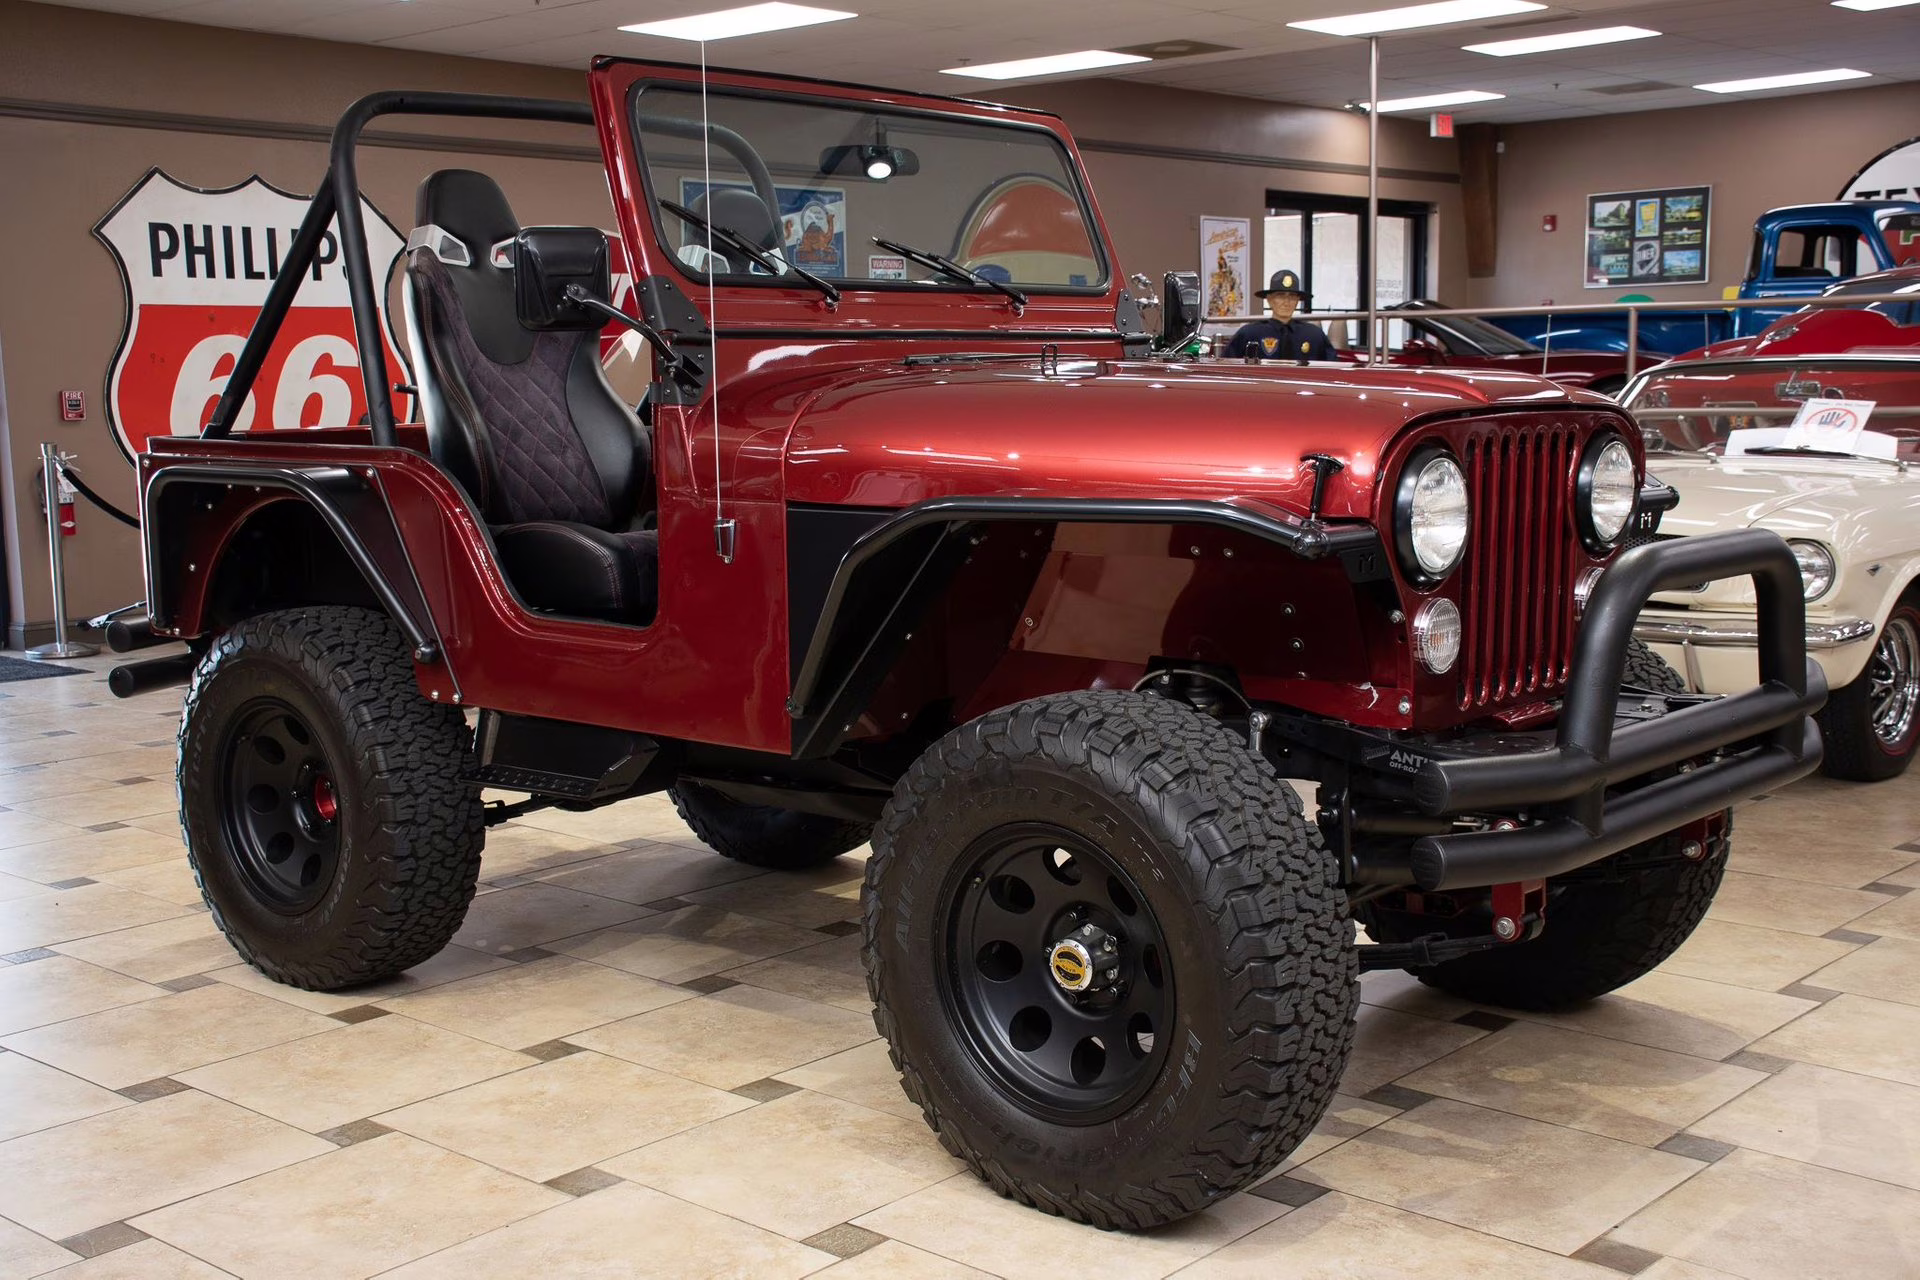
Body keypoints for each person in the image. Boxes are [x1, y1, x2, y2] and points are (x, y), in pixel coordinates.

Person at [1224, 269, 1335, 364]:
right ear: (1269, 299)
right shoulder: (1249, 334)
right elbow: (1227, 367)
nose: (1286, 302)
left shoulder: (1314, 335)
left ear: (1298, 300)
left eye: (1292, 296)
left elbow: (1333, 369)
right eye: (1280, 296)